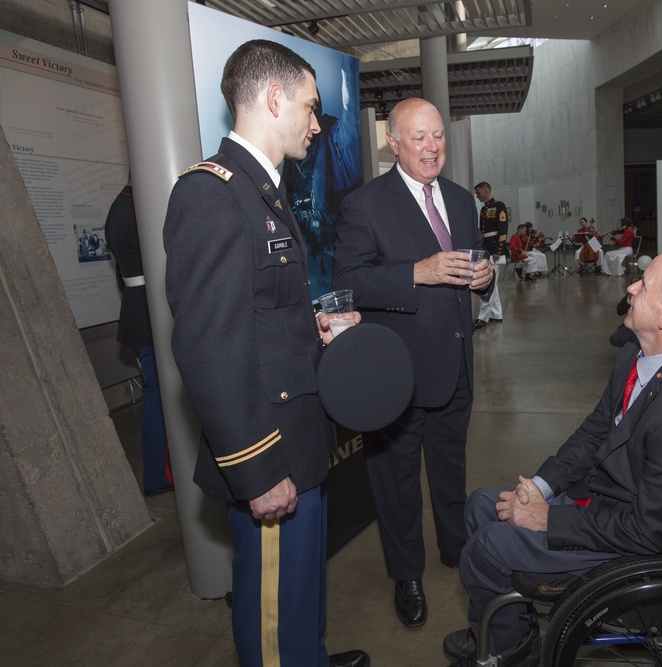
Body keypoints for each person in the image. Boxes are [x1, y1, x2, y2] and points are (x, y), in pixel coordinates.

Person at [162, 40, 369, 667]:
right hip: (269, 450)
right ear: (273, 99)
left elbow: (258, 314)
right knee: (272, 616)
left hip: (299, 436)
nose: (315, 123)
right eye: (309, 107)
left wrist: (314, 326)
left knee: (302, 590)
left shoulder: (264, 191)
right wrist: (255, 470)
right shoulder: (213, 195)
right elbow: (207, 345)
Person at [442, 248, 662, 667]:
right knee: (481, 505)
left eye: (643, 284)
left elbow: (649, 532)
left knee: (487, 547)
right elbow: (595, 431)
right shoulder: (636, 357)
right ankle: (502, 628)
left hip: (635, 539)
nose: (630, 287)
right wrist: (540, 488)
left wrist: (546, 518)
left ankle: (504, 651)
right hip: (610, 500)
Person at [330, 97, 495, 629]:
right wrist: (414, 273)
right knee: (395, 481)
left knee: (451, 469)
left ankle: (455, 547)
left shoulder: (462, 200)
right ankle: (406, 574)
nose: (432, 147)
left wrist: (485, 277)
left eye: (438, 136)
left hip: (456, 365)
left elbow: (472, 260)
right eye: (418, 137)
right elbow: (347, 282)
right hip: (396, 374)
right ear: (393, 143)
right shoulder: (366, 205)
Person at [104, 177, 173, 496]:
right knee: (161, 399)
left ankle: (160, 472)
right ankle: (160, 474)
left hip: (138, 308)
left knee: (158, 396)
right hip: (150, 312)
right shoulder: (135, 208)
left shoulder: (119, 206)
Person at [473, 181, 508, 330]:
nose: (477, 195)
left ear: (486, 191)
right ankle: (496, 314)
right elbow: (482, 232)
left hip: (495, 251)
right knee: (494, 285)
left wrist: (497, 251)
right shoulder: (483, 209)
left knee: (490, 284)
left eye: (478, 192)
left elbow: (503, 229)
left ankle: (483, 317)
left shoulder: (499, 206)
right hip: (487, 249)